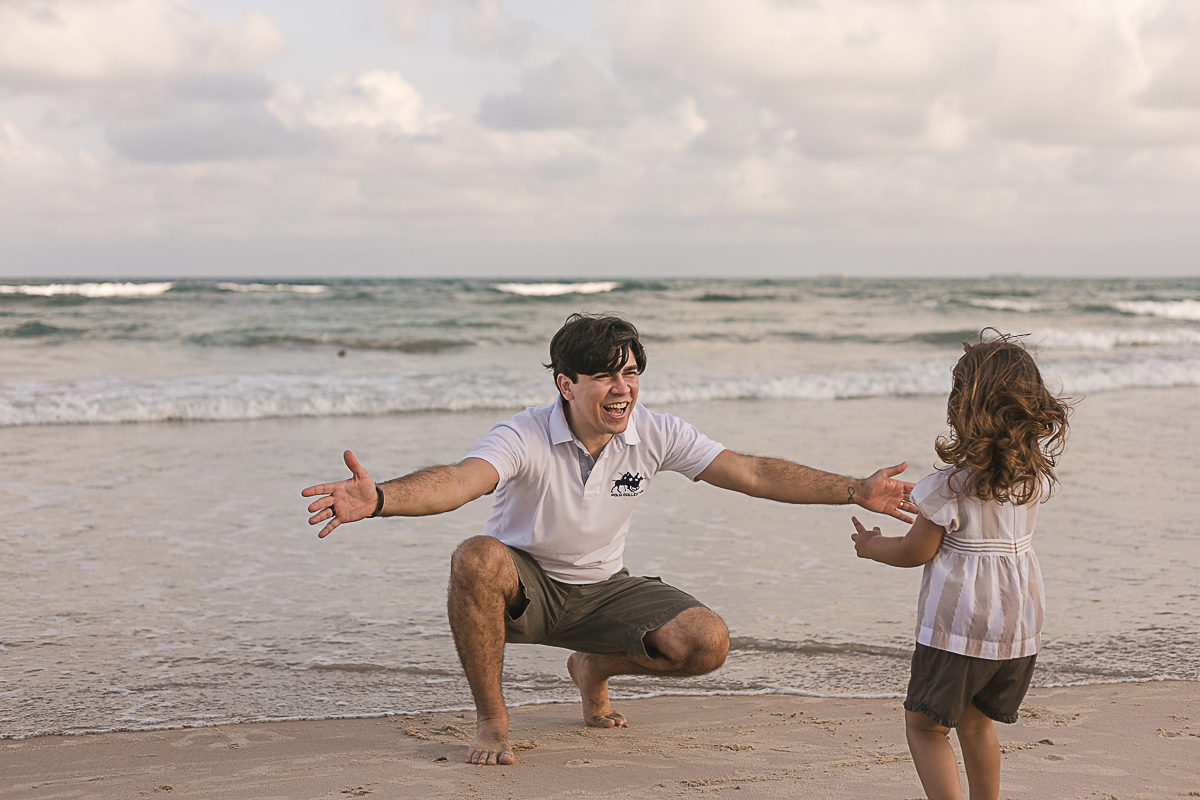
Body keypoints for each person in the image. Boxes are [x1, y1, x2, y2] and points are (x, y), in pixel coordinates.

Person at [303, 313, 917, 767]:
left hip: (604, 590)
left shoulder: (655, 433)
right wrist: (380, 498)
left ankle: (593, 666)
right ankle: (492, 720)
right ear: (566, 385)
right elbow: (461, 481)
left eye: (630, 373)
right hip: (523, 589)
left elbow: (751, 472)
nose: (622, 388)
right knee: (475, 556)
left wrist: (854, 489)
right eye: (603, 375)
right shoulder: (523, 435)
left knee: (707, 643)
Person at [850, 331, 1072, 800]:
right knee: (976, 724)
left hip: (959, 628)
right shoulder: (1029, 478)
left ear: (961, 407)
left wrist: (871, 544)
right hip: (1016, 626)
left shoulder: (946, 486)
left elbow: (915, 551)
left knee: (925, 727)